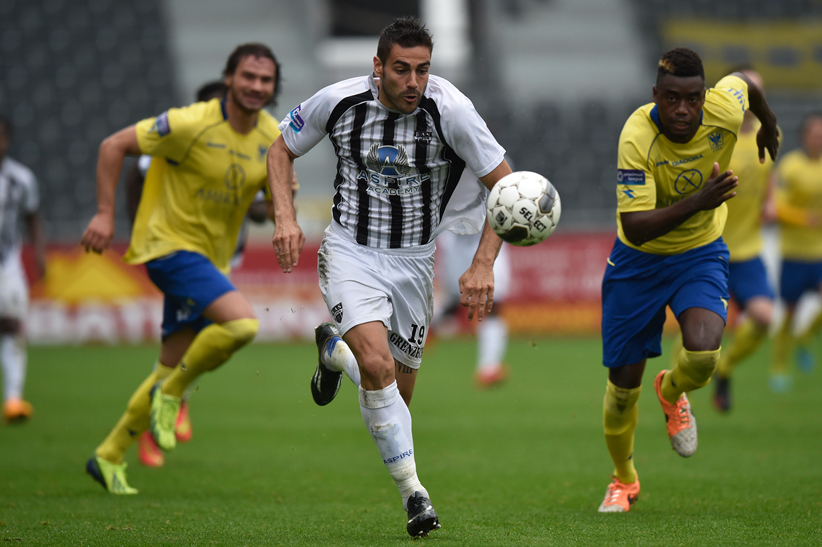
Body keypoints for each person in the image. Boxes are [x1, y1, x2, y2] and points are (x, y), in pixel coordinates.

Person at [266, 17, 511, 537]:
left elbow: (506, 187)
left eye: (422, 70)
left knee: (396, 393)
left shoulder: (453, 110)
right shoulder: (337, 101)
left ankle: (334, 353)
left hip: (416, 264)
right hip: (350, 251)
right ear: (377, 67)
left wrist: (483, 263)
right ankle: (415, 496)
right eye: (401, 69)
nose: (413, 82)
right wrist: (285, 217)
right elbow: (279, 148)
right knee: (377, 370)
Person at [81, 43, 283, 494]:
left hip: (209, 262)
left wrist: (282, 212)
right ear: (228, 78)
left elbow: (271, 202)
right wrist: (103, 213)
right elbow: (113, 146)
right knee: (243, 326)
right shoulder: (188, 122)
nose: (255, 86)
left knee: (166, 364)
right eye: (247, 76)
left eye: (265, 80)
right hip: (168, 249)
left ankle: (109, 454)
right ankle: (173, 394)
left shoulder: (272, 136)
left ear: (273, 88)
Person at [598, 48, 779, 513]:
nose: (683, 110)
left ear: (705, 96)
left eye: (693, 99)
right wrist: (699, 201)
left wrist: (770, 122)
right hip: (638, 260)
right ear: (655, 94)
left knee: (704, 352)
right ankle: (624, 480)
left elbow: (746, 82)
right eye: (672, 98)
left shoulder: (724, 106)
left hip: (698, 253)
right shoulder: (637, 135)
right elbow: (636, 224)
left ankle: (672, 391)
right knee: (622, 390)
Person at [124, 81, 278, 468]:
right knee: (197, 342)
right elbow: (135, 171)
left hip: (221, 258)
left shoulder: (249, 146)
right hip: (183, 255)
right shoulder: (183, 136)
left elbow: (259, 211)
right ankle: (164, 414)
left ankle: (159, 415)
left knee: (191, 344)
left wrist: (260, 196)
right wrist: (136, 229)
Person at [668, 67, 778, 412]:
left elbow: (767, 171)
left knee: (764, 317)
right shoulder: (715, 132)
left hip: (746, 250)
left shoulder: (770, 133)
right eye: (745, 91)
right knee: (693, 329)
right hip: (707, 247)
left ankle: (726, 367)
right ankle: (675, 387)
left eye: (755, 91)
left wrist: (771, 200)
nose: (749, 97)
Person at [435, 192, 512, 388]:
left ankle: (489, 369)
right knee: (457, 302)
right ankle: (420, 330)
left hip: (489, 242)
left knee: (492, 304)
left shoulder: (502, 164)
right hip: (459, 242)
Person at [771, 112, 822, 391]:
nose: (819, 137)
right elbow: (776, 207)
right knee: (789, 313)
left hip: (820, 252)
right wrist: (806, 219)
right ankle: (779, 366)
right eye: (815, 132)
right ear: (805, 135)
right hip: (793, 252)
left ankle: (806, 336)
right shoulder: (790, 167)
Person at [0, 116, 46, 423]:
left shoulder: (20, 178)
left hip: (7, 262)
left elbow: (32, 216)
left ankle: (14, 398)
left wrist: (39, 254)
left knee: (12, 326)